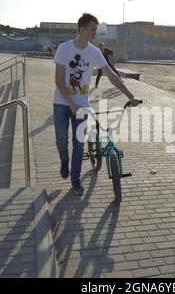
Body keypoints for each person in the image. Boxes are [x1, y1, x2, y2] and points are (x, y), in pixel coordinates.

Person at [53, 13, 140, 196]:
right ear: (82, 29)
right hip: (62, 103)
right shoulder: (64, 48)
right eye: (93, 29)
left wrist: (131, 95)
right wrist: (71, 103)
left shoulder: (94, 51)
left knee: (79, 145)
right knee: (62, 141)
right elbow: (59, 80)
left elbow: (111, 75)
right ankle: (63, 161)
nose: (95, 33)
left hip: (82, 105)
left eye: (96, 30)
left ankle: (75, 181)